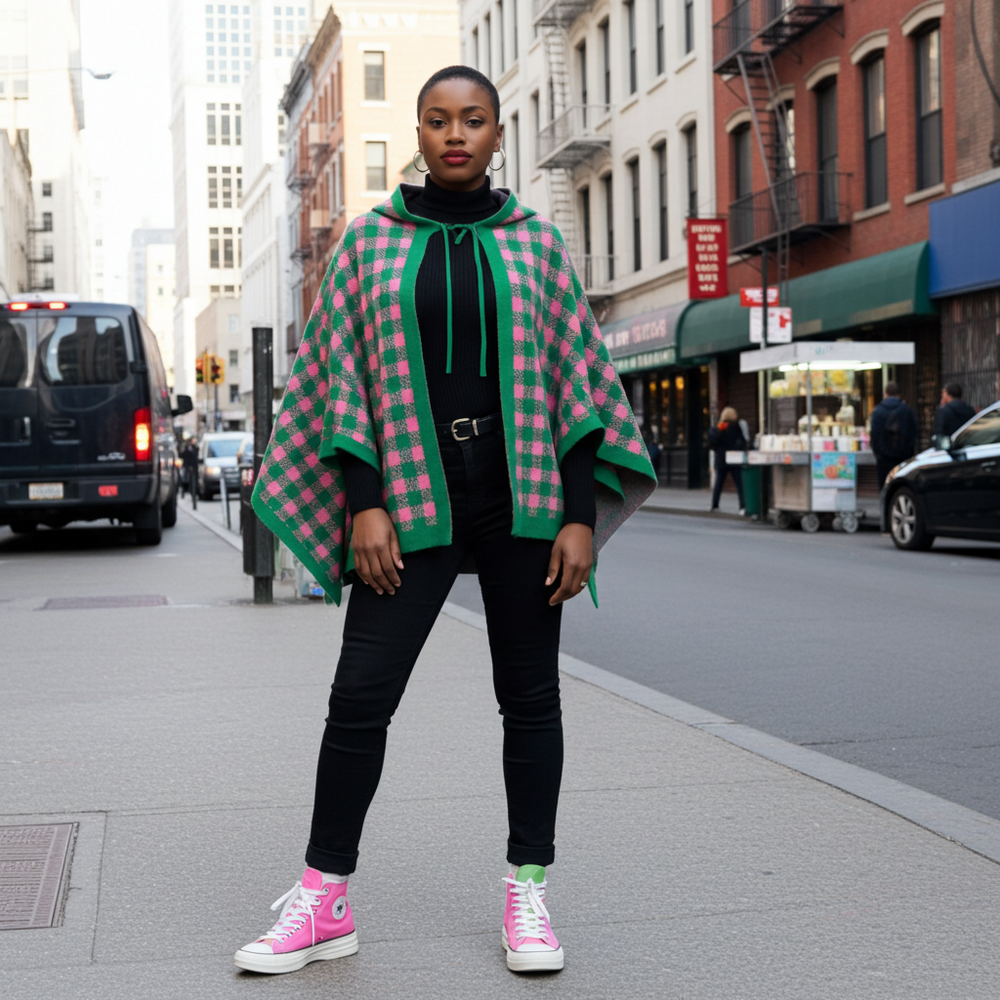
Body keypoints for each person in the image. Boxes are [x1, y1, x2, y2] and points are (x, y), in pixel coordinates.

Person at [238, 66, 655, 977]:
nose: (455, 133)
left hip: (522, 500)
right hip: (407, 497)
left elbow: (575, 389)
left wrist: (578, 519)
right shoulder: (366, 246)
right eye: (437, 119)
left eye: (473, 120)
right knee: (359, 698)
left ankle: (527, 891)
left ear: (499, 135)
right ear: (419, 134)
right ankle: (324, 898)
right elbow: (340, 380)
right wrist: (364, 503)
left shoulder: (539, 248)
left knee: (530, 699)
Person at [869, 381, 919, 489]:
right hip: (903, 457)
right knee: (902, 487)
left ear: (885, 393)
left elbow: (874, 436)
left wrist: (879, 455)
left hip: (884, 458)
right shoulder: (907, 410)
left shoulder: (878, 411)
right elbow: (914, 432)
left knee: (885, 488)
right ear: (898, 394)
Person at [708, 406, 747, 513]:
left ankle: (715, 505)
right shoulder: (736, 427)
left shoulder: (718, 427)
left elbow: (713, 444)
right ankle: (742, 506)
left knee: (718, 484)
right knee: (739, 484)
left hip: (721, 459)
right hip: (734, 459)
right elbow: (742, 442)